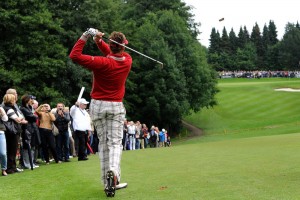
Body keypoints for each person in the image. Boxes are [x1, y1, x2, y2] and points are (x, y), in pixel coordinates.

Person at [69, 28, 132, 197]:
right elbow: (112, 52)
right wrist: (98, 41)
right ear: (123, 47)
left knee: (103, 143)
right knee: (115, 143)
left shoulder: (101, 62)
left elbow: (74, 56)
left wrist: (86, 36)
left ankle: (107, 182)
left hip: (97, 106)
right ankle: (113, 172)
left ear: (111, 46)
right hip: (115, 106)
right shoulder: (127, 59)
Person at [2, 94, 27, 174]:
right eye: (14, 99)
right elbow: (18, 119)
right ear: (11, 100)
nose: (16, 100)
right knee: (12, 150)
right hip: (12, 132)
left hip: (11, 131)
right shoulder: (9, 109)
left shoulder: (8, 108)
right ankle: (10, 168)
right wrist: (21, 119)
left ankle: (13, 167)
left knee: (13, 150)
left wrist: (20, 118)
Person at [20, 95, 40, 169]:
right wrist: (34, 116)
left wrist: (34, 116)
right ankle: (26, 163)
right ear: (27, 100)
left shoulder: (29, 108)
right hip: (27, 129)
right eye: (31, 99)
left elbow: (34, 116)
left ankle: (31, 163)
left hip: (32, 128)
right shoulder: (23, 108)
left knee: (32, 146)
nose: (32, 101)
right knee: (26, 146)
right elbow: (33, 117)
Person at [0, 105, 8, 176]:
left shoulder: (0, 108)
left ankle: (4, 169)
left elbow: (5, 119)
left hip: (0, 133)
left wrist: (1, 110)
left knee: (3, 153)